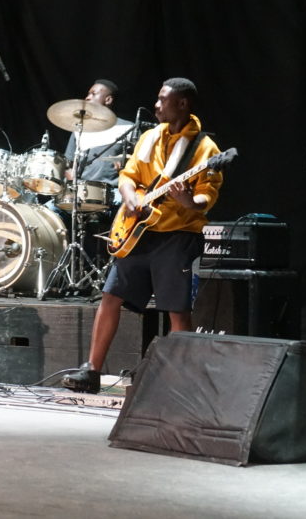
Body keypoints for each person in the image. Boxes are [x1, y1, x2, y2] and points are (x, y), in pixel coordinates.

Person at [62, 77, 223, 394]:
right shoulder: (150, 136)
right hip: (138, 232)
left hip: (176, 236)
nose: (157, 105)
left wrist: (188, 201)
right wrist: (130, 198)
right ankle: (91, 371)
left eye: (163, 99)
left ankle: (180, 385)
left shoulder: (206, 149)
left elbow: (207, 196)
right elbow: (128, 176)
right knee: (110, 296)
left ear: (182, 104)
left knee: (177, 309)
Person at [62, 80, 133, 190]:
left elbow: (140, 163)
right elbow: (68, 165)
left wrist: (126, 162)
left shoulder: (128, 128)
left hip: (114, 192)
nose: (87, 98)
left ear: (108, 100)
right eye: (88, 94)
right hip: (82, 191)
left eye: (93, 94)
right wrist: (71, 178)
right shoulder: (80, 128)